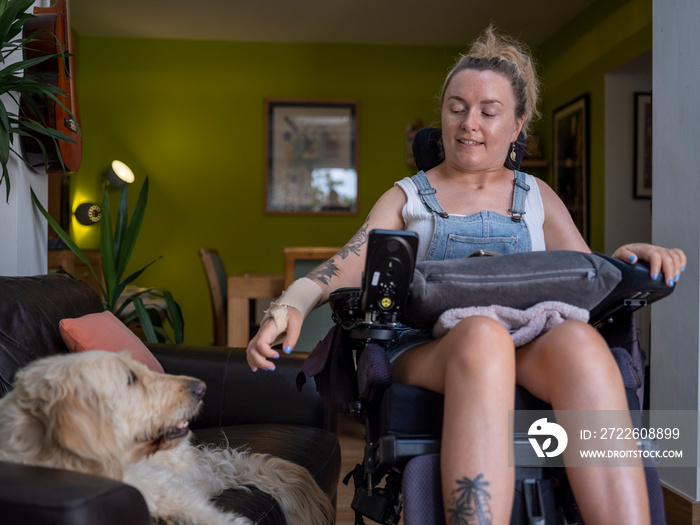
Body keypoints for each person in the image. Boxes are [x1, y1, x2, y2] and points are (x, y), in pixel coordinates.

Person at [247, 25, 686, 525]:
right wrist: (290, 305)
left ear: (518, 125)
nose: (468, 123)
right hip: (430, 347)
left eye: (488, 111)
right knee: (483, 337)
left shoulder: (538, 197)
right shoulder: (409, 196)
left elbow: (584, 277)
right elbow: (344, 262)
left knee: (581, 342)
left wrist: (625, 260)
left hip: (531, 338)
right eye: (456, 108)